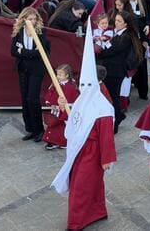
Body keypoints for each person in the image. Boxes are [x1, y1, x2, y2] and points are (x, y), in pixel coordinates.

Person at [51, 20, 116, 231]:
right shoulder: (82, 99)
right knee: (89, 184)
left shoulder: (103, 107)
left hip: (93, 152)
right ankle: (97, 211)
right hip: (79, 148)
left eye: (89, 84)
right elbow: (74, 118)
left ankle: (76, 222)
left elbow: (106, 135)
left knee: (81, 187)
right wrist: (63, 106)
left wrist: (107, 159)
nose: (84, 88)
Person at [98, 11, 143, 132]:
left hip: (116, 70)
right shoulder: (120, 34)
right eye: (116, 20)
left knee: (113, 96)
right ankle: (118, 116)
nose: (116, 23)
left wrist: (99, 51)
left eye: (119, 21)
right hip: (113, 69)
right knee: (113, 95)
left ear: (126, 24)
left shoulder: (125, 37)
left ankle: (116, 119)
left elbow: (112, 50)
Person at [11, 7, 50, 142]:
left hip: (36, 69)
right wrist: (31, 53)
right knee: (25, 99)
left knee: (33, 98)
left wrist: (24, 52)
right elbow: (13, 51)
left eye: (34, 19)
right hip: (23, 69)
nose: (32, 22)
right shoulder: (19, 32)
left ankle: (39, 129)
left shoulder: (41, 32)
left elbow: (42, 51)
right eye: (30, 19)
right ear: (24, 19)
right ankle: (31, 129)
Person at [42, 64, 80, 150]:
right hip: (56, 109)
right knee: (53, 125)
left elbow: (73, 97)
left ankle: (64, 142)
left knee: (63, 127)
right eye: (57, 74)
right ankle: (52, 141)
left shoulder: (71, 86)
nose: (57, 76)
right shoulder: (56, 84)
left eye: (60, 74)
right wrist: (51, 102)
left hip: (66, 109)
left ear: (67, 75)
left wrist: (66, 105)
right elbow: (51, 92)